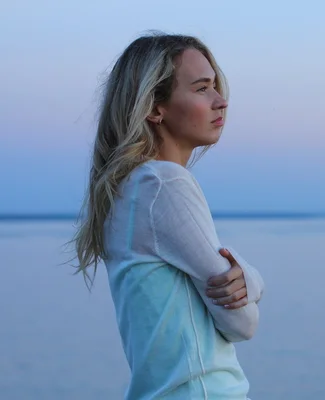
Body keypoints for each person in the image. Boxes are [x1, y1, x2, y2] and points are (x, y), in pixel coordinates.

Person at [70, 32, 265, 399]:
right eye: (202, 88)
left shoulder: (128, 189)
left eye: (217, 87)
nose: (221, 102)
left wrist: (249, 278)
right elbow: (243, 322)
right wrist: (253, 279)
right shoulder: (165, 183)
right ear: (154, 107)